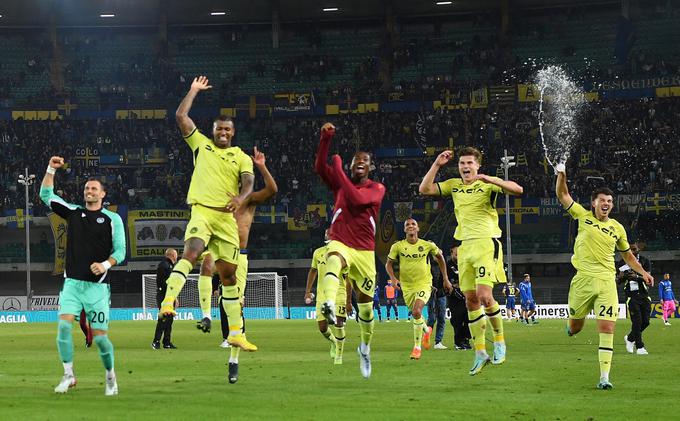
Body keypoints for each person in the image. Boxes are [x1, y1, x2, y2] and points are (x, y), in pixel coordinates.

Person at [159, 75, 256, 353]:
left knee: (229, 277)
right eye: (219, 129)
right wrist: (193, 90)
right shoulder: (201, 144)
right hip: (202, 211)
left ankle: (236, 333)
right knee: (191, 253)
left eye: (227, 129)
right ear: (213, 131)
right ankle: (168, 303)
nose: (222, 132)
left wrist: (241, 197)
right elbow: (180, 115)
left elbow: (249, 182)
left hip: (226, 219)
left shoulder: (241, 156)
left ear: (232, 132)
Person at [420, 147, 523, 375]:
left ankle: (499, 342)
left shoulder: (487, 184)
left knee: (486, 296)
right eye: (462, 163)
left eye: (469, 163)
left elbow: (518, 190)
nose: (465, 167)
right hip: (464, 247)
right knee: (471, 301)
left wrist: (489, 178)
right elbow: (424, 188)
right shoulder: (454, 184)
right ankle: (480, 352)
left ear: (477, 165)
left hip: (486, 243)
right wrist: (437, 165)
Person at [555, 164, 653, 390]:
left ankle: (604, 377)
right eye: (602, 200)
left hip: (607, 282)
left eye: (609, 201)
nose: (606, 204)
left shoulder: (618, 228)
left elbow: (628, 256)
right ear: (594, 203)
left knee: (607, 329)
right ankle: (571, 327)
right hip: (583, 281)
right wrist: (562, 174)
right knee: (576, 328)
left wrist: (643, 272)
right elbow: (562, 194)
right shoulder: (582, 215)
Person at [40, 156, 126, 396]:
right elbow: (46, 196)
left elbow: (121, 251)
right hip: (72, 285)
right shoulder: (73, 213)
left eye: (93, 188)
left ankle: (110, 376)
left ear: (102, 194)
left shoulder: (113, 219)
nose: (89, 191)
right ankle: (68, 375)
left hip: (97, 289)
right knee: (64, 328)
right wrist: (50, 169)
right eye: (87, 188)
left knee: (100, 339)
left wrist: (105, 264)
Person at [198, 146, 278, 383]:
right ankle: (205, 316)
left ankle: (233, 360)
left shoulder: (249, 200)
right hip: (218, 247)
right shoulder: (216, 198)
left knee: (236, 305)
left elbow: (273, 190)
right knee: (204, 267)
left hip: (239, 255)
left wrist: (261, 167)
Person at [314, 122, 386, 378]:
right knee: (333, 258)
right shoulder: (340, 184)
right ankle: (330, 305)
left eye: (364, 160)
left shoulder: (377, 189)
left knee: (365, 308)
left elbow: (357, 200)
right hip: (341, 241)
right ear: (350, 165)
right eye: (356, 160)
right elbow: (319, 167)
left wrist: (339, 170)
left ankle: (364, 348)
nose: (360, 162)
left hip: (365, 252)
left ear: (370, 167)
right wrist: (326, 138)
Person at [386, 218, 451, 360]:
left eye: (413, 224)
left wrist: (445, 279)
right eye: (407, 225)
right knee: (416, 314)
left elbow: (440, 258)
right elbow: (388, 264)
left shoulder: (427, 245)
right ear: (404, 230)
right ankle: (427, 330)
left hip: (424, 284)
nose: (410, 226)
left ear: (417, 228)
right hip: (407, 286)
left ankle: (417, 347)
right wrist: (393, 278)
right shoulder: (397, 246)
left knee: (416, 311)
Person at [304, 229, 351, 365]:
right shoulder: (318, 253)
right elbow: (313, 271)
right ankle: (333, 342)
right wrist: (307, 291)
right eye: (327, 232)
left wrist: (348, 301)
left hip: (339, 293)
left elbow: (349, 280)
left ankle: (339, 356)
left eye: (332, 232)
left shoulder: (344, 253)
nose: (329, 233)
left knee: (339, 324)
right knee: (322, 328)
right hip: (322, 295)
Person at [618, 243, 652, 355]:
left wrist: (636, 277)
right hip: (631, 295)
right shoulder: (622, 262)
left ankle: (630, 338)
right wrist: (620, 277)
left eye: (634, 249)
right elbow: (618, 280)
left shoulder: (644, 261)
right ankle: (640, 347)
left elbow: (648, 278)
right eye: (630, 249)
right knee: (637, 321)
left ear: (638, 249)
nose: (632, 251)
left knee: (646, 322)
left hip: (644, 294)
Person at [152, 248, 178, 349]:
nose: (177, 257)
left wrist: (174, 297)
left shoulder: (169, 266)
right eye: (176, 255)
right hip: (164, 296)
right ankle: (156, 341)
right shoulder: (164, 265)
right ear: (172, 255)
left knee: (169, 319)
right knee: (163, 318)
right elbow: (162, 282)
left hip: (169, 296)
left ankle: (167, 342)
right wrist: (170, 295)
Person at [446, 246, 471, 350]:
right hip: (454, 296)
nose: (458, 254)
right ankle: (458, 342)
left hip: (467, 293)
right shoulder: (448, 265)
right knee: (457, 319)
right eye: (456, 253)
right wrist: (451, 288)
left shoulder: (466, 264)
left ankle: (466, 339)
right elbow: (445, 279)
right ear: (452, 253)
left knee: (468, 318)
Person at [428, 249, 449, 350]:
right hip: (431, 294)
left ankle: (438, 342)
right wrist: (430, 286)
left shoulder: (444, 266)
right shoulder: (427, 265)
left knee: (441, 318)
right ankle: (426, 338)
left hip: (442, 294)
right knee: (432, 318)